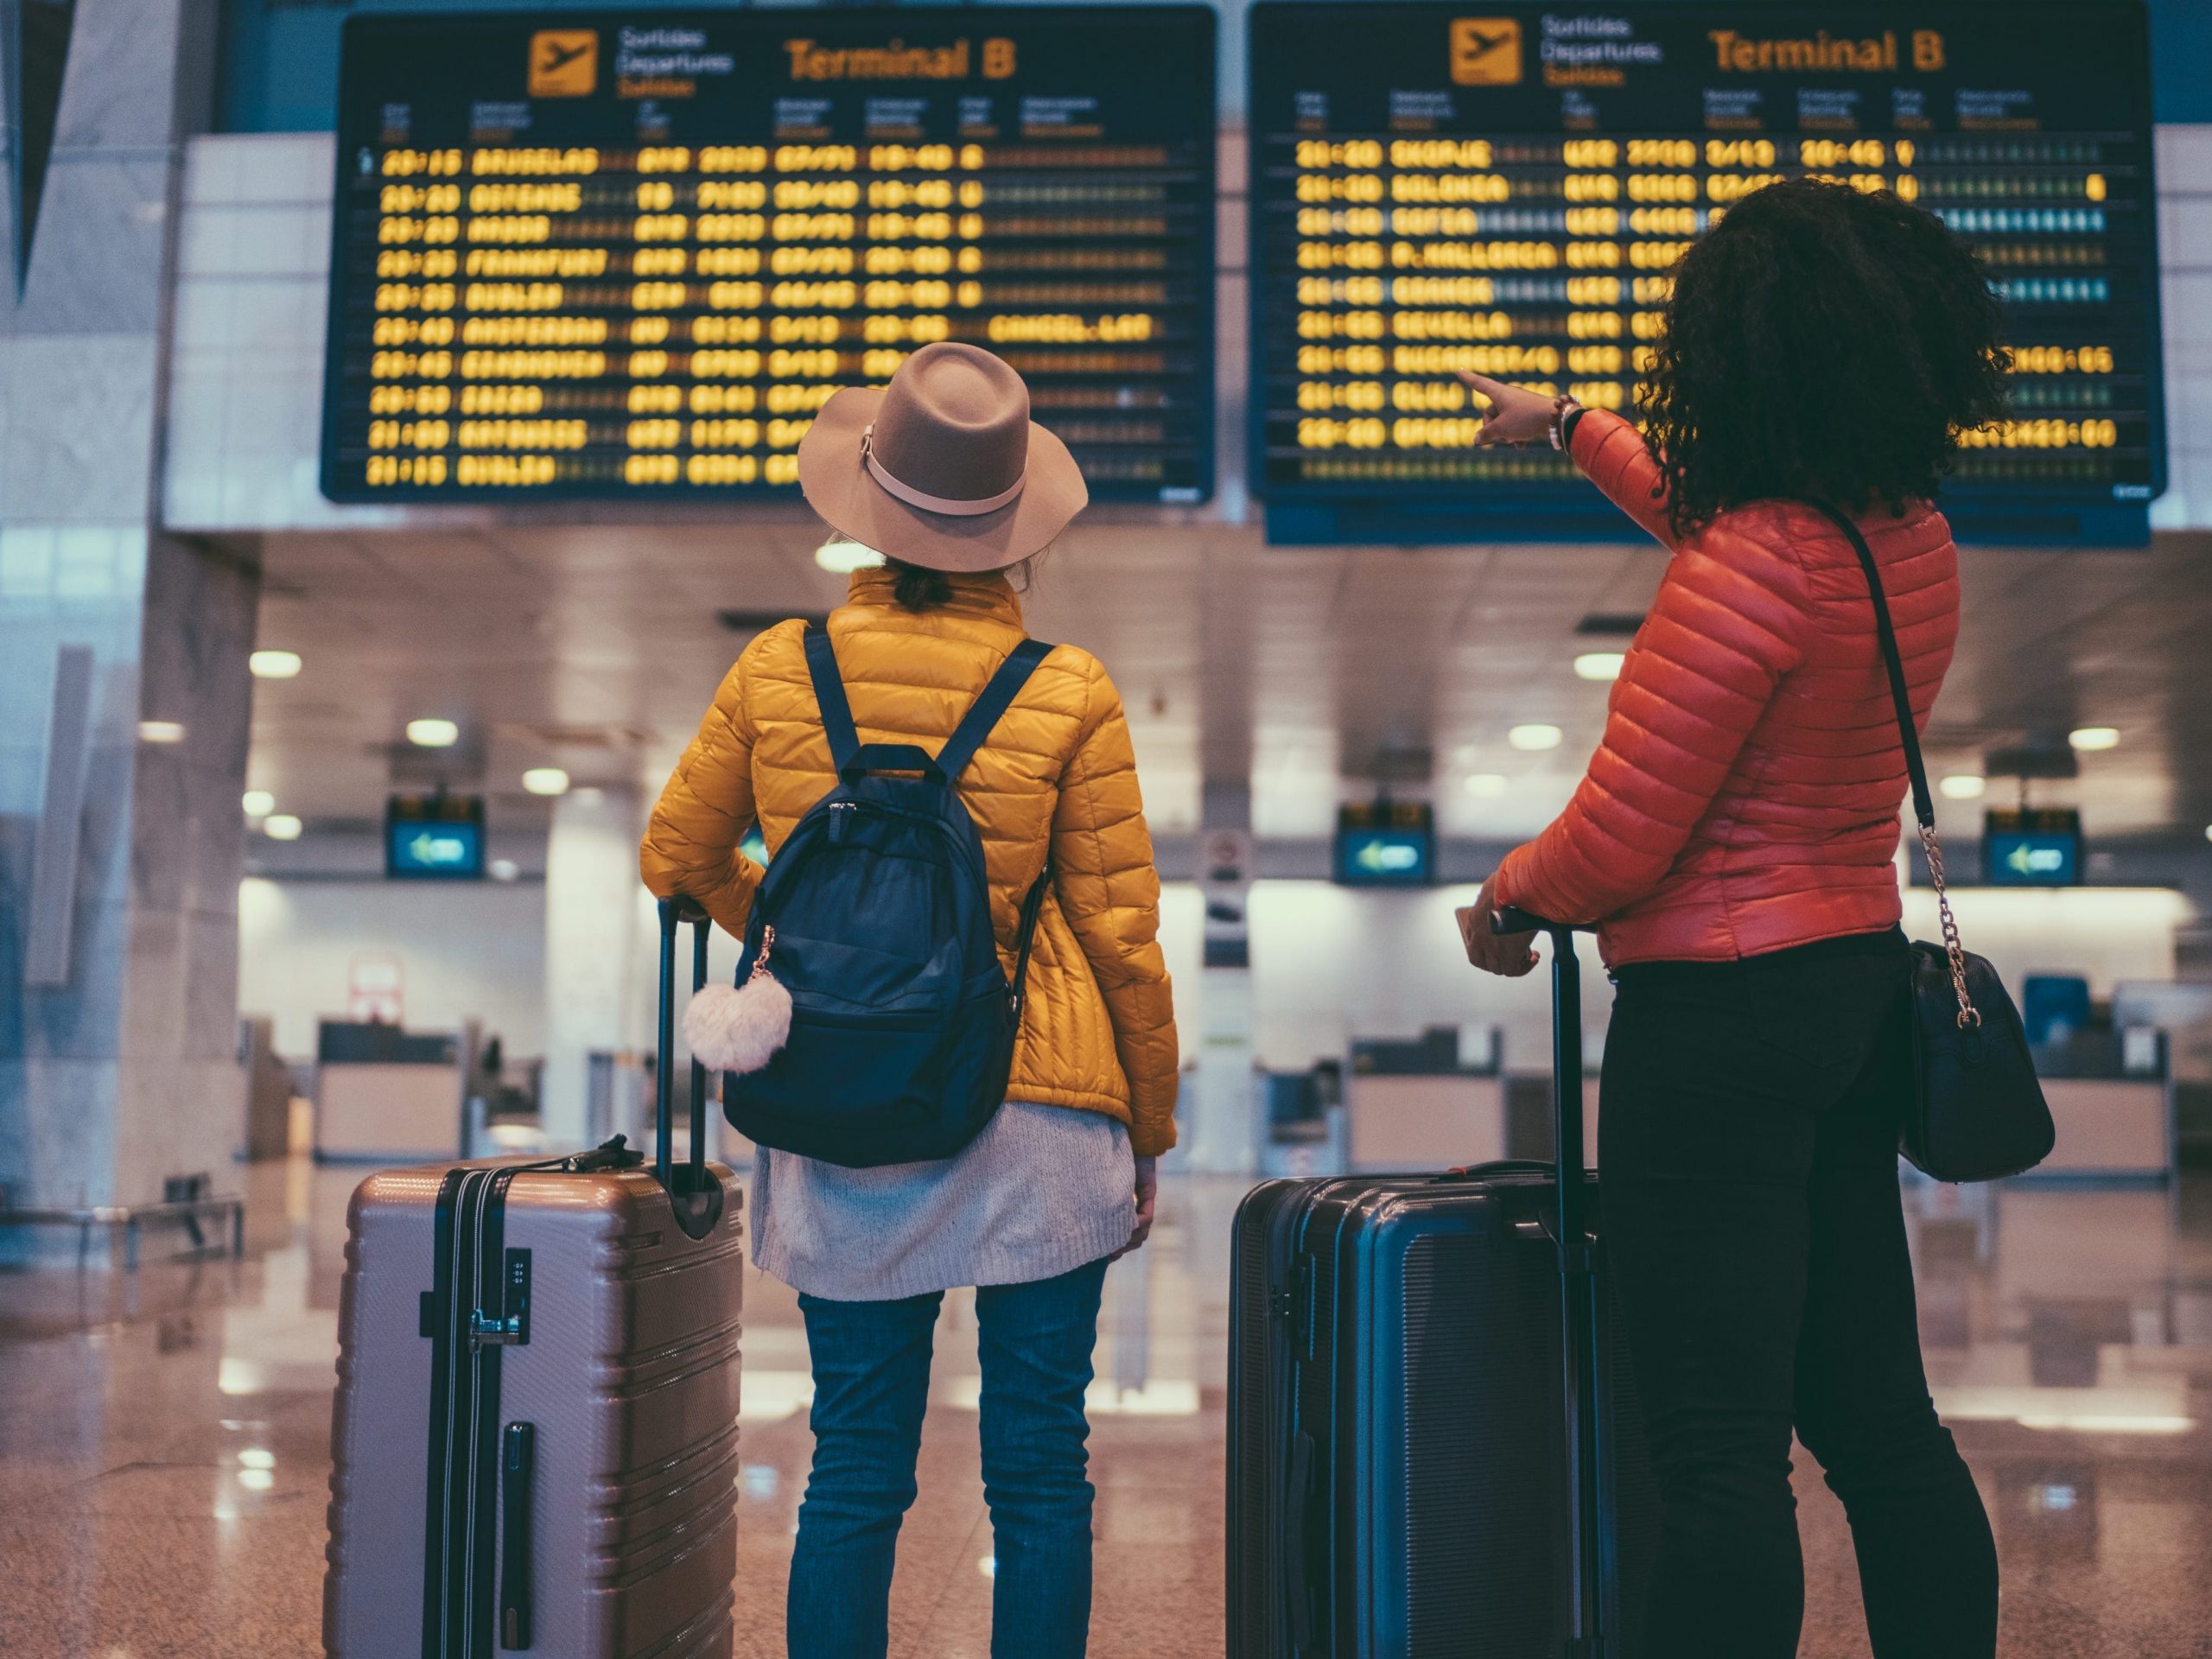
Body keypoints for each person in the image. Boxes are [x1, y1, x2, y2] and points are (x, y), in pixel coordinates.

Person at [1453, 179, 2007, 1659]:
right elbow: (1720, 521)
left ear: (1746, 356)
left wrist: (1506, 895)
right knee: (1884, 1423)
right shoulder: (1907, 538)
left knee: (1713, 1449)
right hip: (1846, 993)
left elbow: (1625, 840)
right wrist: (1566, 423)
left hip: (1716, 1023)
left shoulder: (1748, 569)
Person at [639, 341, 1179, 1659]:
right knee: (1041, 1475)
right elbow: (1120, 935)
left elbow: (677, 857)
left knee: (856, 1472)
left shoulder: (781, 668)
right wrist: (1148, 1128)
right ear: (1016, 535)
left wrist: (797, 952)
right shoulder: (1067, 689)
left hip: (842, 1101)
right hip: (1043, 1116)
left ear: (868, 508)